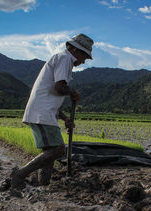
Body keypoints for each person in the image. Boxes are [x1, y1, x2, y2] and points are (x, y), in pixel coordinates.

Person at [10, 33, 94, 191]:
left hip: (44, 112)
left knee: (49, 153)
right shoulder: (65, 59)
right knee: (58, 149)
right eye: (84, 57)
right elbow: (60, 88)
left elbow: (53, 96)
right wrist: (73, 92)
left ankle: (44, 186)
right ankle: (20, 174)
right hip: (41, 113)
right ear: (77, 51)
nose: (83, 62)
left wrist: (65, 118)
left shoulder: (62, 59)